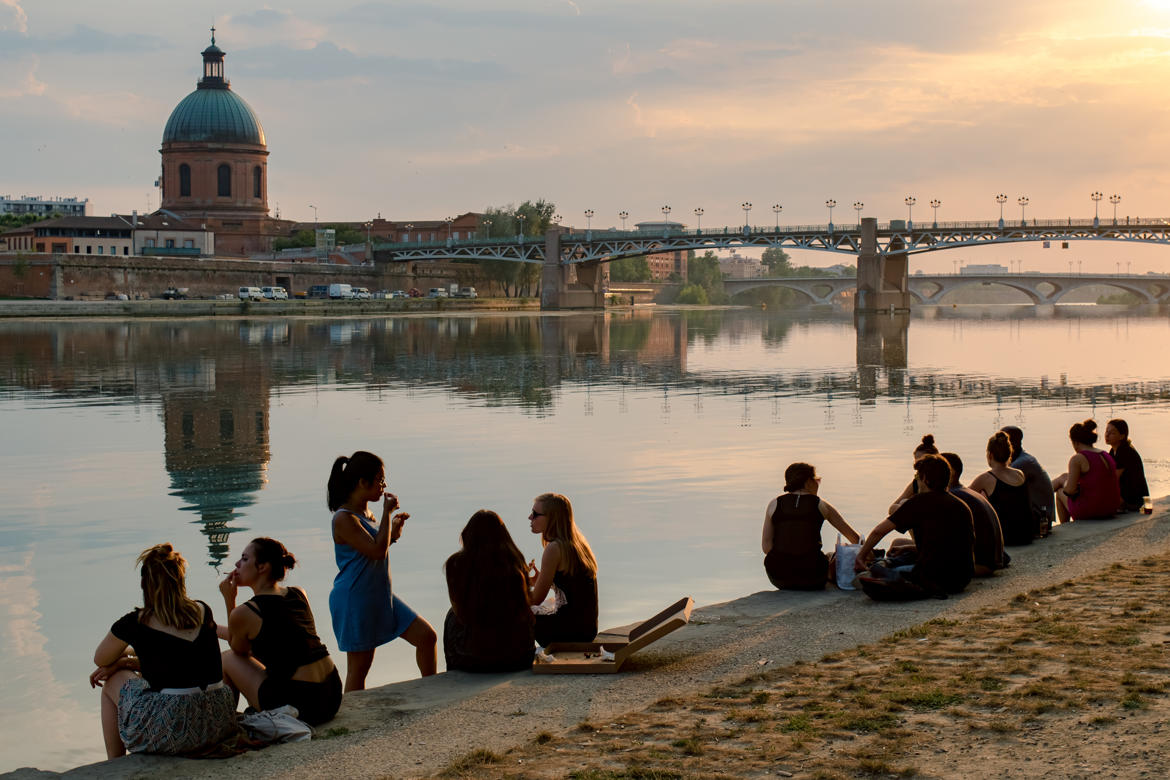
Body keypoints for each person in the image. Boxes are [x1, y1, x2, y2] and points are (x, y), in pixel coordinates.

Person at [90, 544, 235, 758]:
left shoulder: (137, 622)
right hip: (217, 723)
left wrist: (120, 662)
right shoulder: (202, 611)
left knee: (112, 681)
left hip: (177, 730)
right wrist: (127, 660)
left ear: (144, 584)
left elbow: (101, 659)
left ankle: (114, 762)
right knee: (122, 671)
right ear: (180, 581)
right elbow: (178, 664)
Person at [328, 451, 437, 692]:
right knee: (360, 668)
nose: (383, 486)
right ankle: (354, 723)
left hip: (379, 593)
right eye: (379, 480)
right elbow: (377, 551)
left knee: (426, 637)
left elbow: (378, 547)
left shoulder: (367, 513)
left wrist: (393, 533)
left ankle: (432, 693)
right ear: (362, 483)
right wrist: (388, 514)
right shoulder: (344, 519)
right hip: (355, 597)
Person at [219, 538, 342, 725]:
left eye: (244, 559)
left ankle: (225, 725)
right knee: (264, 654)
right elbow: (281, 642)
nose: (237, 564)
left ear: (262, 567)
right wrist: (212, 627)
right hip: (331, 694)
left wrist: (229, 600)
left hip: (301, 706)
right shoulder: (298, 593)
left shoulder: (246, 612)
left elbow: (239, 649)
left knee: (227, 658)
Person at [855, 454, 975, 598]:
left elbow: (878, 531)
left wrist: (860, 557)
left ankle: (910, 584)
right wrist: (908, 547)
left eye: (918, 477)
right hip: (962, 578)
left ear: (925, 479)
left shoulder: (919, 502)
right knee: (902, 557)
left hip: (935, 577)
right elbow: (947, 544)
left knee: (875, 569)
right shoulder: (961, 505)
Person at [443, 510, 535, 672]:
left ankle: (453, 669)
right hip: (519, 657)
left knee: (451, 615)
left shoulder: (456, 564)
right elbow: (525, 605)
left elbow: (460, 612)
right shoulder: (515, 562)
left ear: (468, 534)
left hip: (472, 659)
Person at [762, 462, 861, 589]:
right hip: (812, 577)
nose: (818, 484)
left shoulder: (774, 504)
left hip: (778, 577)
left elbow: (766, 547)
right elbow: (854, 538)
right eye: (817, 480)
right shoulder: (821, 504)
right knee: (832, 556)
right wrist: (870, 554)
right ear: (808, 481)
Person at [528, 492, 599, 647]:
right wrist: (537, 581)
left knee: (515, 610)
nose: (530, 517)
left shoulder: (554, 548)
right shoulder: (577, 544)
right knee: (549, 602)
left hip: (568, 633)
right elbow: (573, 589)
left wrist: (513, 587)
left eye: (535, 514)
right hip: (587, 630)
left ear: (551, 519)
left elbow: (535, 599)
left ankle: (513, 654)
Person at [941, 452, 1007, 576]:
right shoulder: (967, 492)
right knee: (901, 545)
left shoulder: (953, 498)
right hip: (994, 560)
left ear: (951, 472)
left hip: (980, 564)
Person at [969, 432, 1034, 546]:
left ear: (990, 455)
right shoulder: (1019, 474)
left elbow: (963, 497)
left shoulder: (986, 478)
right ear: (1009, 454)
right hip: (1026, 535)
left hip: (1006, 537)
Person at [1052, 420, 1120, 523]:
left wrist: (1064, 483)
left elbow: (1069, 491)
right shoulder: (1105, 454)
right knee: (1064, 476)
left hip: (1092, 511)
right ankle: (1042, 491)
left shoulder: (1078, 458)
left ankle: (1065, 526)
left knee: (1060, 491)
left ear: (1076, 442)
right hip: (1111, 507)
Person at [1000, 426, 1056, 537]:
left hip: (1039, 521)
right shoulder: (1018, 460)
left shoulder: (1024, 463)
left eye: (1002, 440)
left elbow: (995, 480)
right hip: (1034, 516)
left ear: (1012, 442)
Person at [887, 434, 940, 515]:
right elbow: (893, 507)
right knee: (902, 502)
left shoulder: (943, 480)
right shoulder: (916, 482)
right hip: (917, 517)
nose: (917, 467)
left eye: (921, 462)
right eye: (916, 462)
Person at [1105, 418, 1149, 512]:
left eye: (1112, 433)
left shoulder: (1124, 451)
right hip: (1130, 496)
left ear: (1121, 436)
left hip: (1135, 501)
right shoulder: (1113, 451)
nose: (1107, 435)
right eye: (1106, 431)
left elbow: (1113, 478)